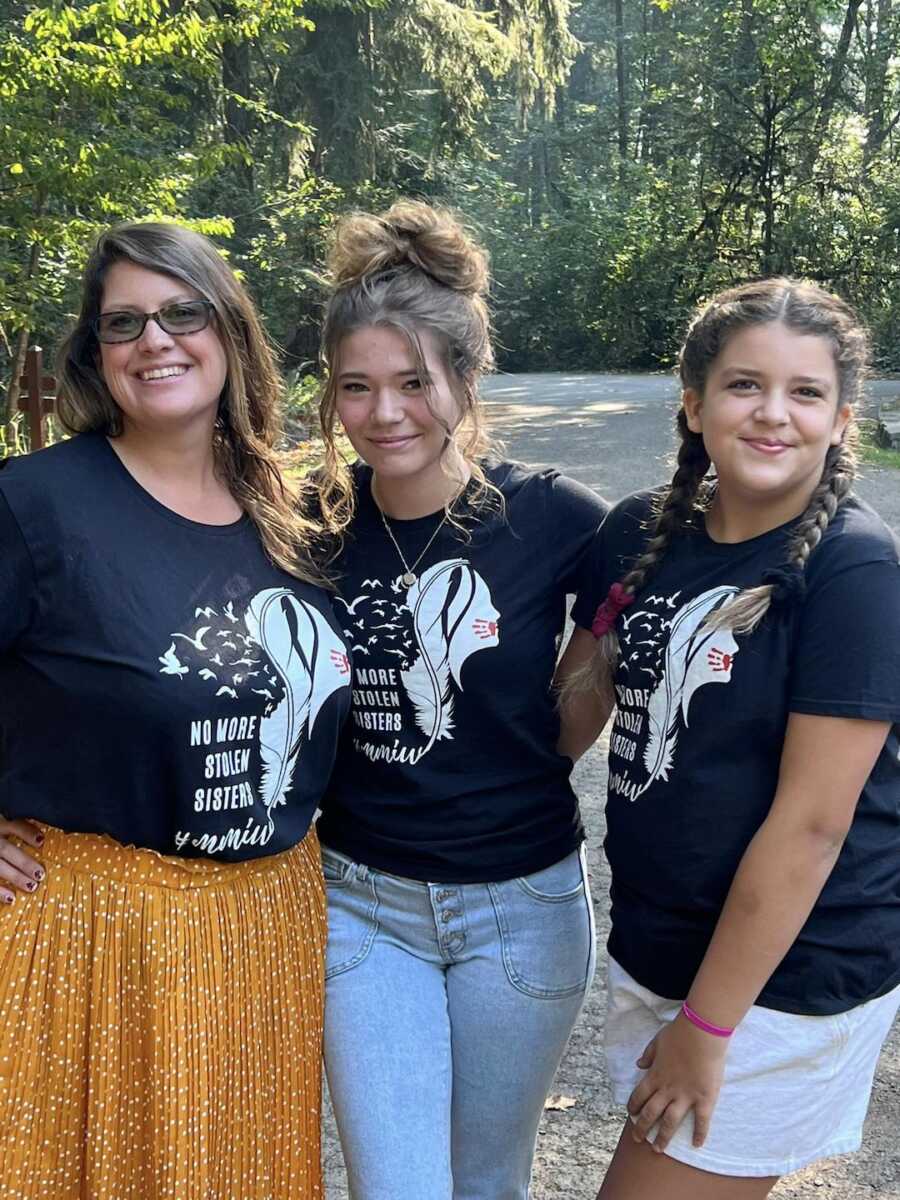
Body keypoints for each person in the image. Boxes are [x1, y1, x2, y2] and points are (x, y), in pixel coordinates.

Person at [0, 222, 351, 1197]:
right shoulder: (36, 506)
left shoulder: (296, 513)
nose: (155, 340)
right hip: (92, 941)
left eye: (181, 312)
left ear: (230, 333)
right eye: (125, 324)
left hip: (267, 933)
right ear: (95, 357)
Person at [555, 279, 900, 1199]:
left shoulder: (853, 569)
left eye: (805, 392)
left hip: (778, 978)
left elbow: (813, 829)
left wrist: (708, 1034)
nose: (773, 414)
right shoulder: (637, 531)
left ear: (840, 418)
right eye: (746, 385)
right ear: (694, 403)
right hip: (660, 943)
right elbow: (572, 722)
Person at [309, 200, 608, 1199]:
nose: (384, 412)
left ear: (465, 381)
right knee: (396, 1187)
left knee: (485, 1184)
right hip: (362, 904)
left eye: (411, 383)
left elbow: (666, 585)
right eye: (357, 387)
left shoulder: (555, 515)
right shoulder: (305, 527)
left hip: (521, 910)